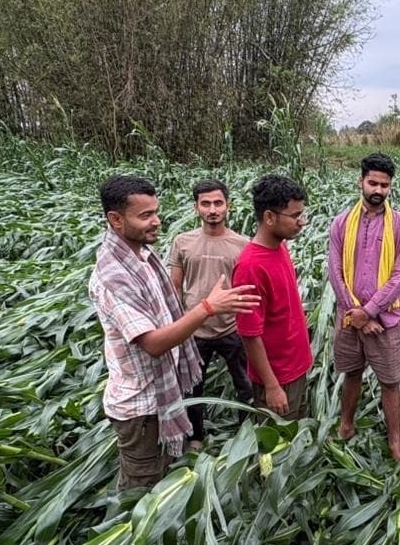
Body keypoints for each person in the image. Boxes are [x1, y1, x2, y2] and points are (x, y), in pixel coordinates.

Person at [89, 175, 259, 489]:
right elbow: (152, 343)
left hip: (164, 391)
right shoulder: (115, 275)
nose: (156, 221)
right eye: (145, 216)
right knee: (142, 491)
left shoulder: (141, 256)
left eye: (156, 212)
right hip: (141, 406)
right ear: (115, 219)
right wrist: (207, 308)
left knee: (242, 384)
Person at [326, 152, 400, 461]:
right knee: (351, 374)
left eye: (385, 185)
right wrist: (358, 314)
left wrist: (371, 311)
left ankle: (394, 441)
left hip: (386, 321)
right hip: (350, 319)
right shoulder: (341, 224)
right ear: (361, 181)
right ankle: (346, 426)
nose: (378, 190)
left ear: (391, 187)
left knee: (390, 382)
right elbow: (335, 271)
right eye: (373, 183)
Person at [167, 179, 253, 449]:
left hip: (232, 328)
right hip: (195, 330)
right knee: (194, 388)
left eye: (218, 203)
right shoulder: (183, 242)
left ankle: (247, 433)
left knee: (246, 384)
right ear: (196, 208)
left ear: (228, 206)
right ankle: (195, 437)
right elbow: (174, 288)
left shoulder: (243, 244)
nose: (212, 209)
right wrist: (179, 324)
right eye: (206, 204)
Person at [233, 174, 313, 419]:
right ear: (269, 217)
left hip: (295, 367)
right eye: (295, 216)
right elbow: (249, 335)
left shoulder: (280, 246)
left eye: (302, 214)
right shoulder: (251, 267)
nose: (302, 222)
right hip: (279, 377)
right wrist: (271, 385)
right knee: (278, 449)